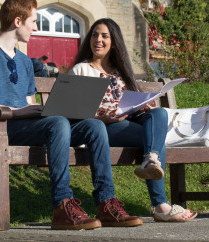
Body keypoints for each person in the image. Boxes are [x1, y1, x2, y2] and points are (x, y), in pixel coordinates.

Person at [0, 0, 143, 230]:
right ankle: (62, 205)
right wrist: (18, 111)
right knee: (58, 123)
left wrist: (47, 109)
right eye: (34, 21)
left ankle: (106, 203)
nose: (36, 27)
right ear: (18, 21)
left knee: (94, 125)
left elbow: (30, 104)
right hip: (2, 128)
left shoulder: (26, 62)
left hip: (28, 126)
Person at [69, 18, 197, 223]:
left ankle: (150, 160)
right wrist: (101, 117)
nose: (98, 40)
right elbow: (73, 112)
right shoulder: (81, 70)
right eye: (94, 35)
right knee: (156, 138)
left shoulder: (121, 72)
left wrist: (142, 105)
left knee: (159, 114)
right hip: (101, 129)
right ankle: (160, 204)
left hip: (127, 122)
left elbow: (129, 103)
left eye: (104, 36)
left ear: (114, 42)